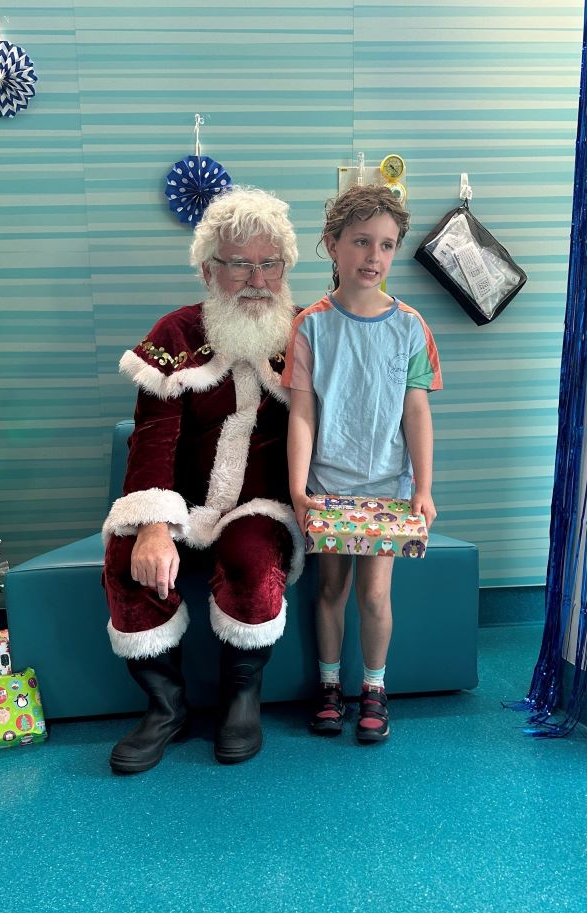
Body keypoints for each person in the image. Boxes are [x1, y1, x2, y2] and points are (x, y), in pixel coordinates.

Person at [101, 186, 304, 772]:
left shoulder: (304, 334)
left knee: (251, 559)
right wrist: (155, 525)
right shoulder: (174, 335)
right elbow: (152, 437)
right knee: (123, 559)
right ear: (209, 268)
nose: (257, 278)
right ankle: (166, 707)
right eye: (241, 263)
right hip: (182, 503)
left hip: (261, 504)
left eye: (270, 264)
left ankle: (243, 698)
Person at [283, 184, 442, 743]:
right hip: (329, 485)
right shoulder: (311, 326)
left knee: (376, 594)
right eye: (360, 242)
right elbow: (301, 413)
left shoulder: (411, 327)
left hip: (389, 487)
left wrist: (423, 488)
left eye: (387, 245)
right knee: (332, 589)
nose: (374, 257)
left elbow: (416, 413)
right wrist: (299, 487)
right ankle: (330, 687)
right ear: (332, 245)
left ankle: (374, 688)